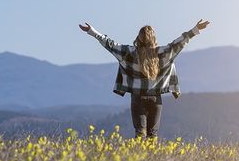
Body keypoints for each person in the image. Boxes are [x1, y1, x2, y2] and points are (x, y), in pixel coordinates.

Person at [79, 19, 210, 139]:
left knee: (140, 133)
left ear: (139, 38)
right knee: (152, 135)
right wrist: (195, 29)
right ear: (154, 39)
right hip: (156, 98)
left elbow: (110, 44)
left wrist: (92, 31)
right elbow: (180, 42)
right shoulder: (163, 52)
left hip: (137, 98)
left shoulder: (129, 53)